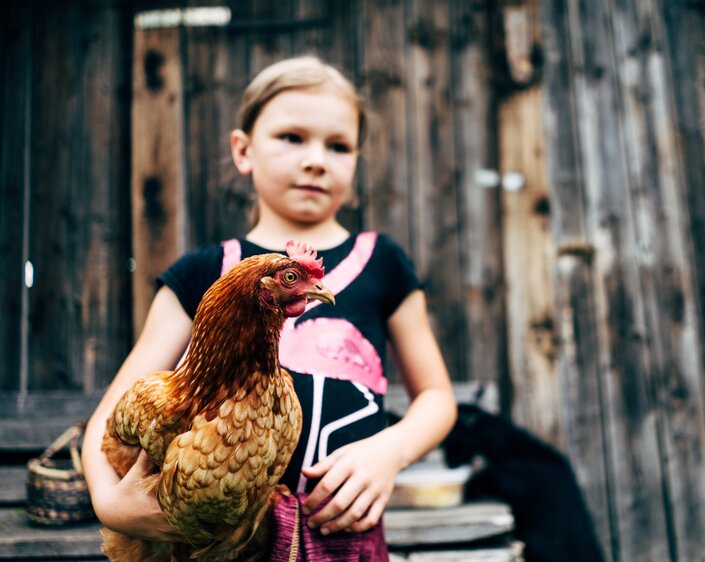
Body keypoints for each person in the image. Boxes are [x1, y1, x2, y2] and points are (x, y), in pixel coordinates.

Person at [81, 56, 456, 557]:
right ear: (243, 150)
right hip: (223, 542)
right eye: (292, 137)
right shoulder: (203, 270)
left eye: (339, 145)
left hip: (346, 535)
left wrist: (391, 450)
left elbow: (436, 395)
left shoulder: (383, 262)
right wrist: (109, 505)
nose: (316, 159)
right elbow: (112, 416)